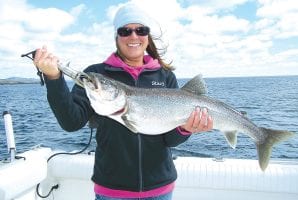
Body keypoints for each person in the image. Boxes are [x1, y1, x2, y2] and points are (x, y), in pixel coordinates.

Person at [34, 3, 213, 200]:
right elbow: (71, 122)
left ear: (148, 35)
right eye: (125, 31)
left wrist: (186, 129)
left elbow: (169, 140)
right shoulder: (96, 75)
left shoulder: (165, 76)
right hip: (112, 190)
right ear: (116, 36)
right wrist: (53, 79)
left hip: (160, 189)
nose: (134, 36)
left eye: (141, 30)